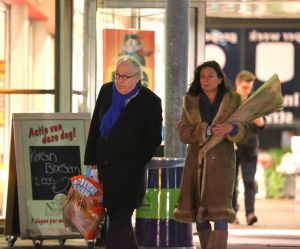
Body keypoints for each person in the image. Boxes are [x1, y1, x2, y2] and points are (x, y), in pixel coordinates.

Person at [84, 56, 162, 249]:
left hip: (130, 172)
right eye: (117, 75)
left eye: (125, 76)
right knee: (115, 215)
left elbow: (153, 138)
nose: (120, 80)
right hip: (105, 167)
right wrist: (91, 159)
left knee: (121, 215)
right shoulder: (106, 91)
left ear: (138, 78)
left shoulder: (150, 101)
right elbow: (95, 126)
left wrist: (136, 160)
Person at [173, 61, 250, 249]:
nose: (206, 80)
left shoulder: (233, 101)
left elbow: (245, 132)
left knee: (221, 215)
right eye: (202, 76)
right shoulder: (190, 102)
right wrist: (202, 131)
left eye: (210, 76)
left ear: (219, 78)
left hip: (223, 166)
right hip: (196, 164)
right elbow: (182, 132)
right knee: (200, 216)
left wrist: (230, 128)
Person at [232, 70, 265, 225]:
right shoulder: (230, 101)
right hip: (232, 146)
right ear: (237, 84)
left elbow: (263, 124)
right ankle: (232, 211)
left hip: (250, 146)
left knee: (249, 181)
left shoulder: (255, 101)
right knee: (231, 182)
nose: (247, 91)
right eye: (244, 87)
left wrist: (255, 116)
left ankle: (250, 214)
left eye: (249, 87)